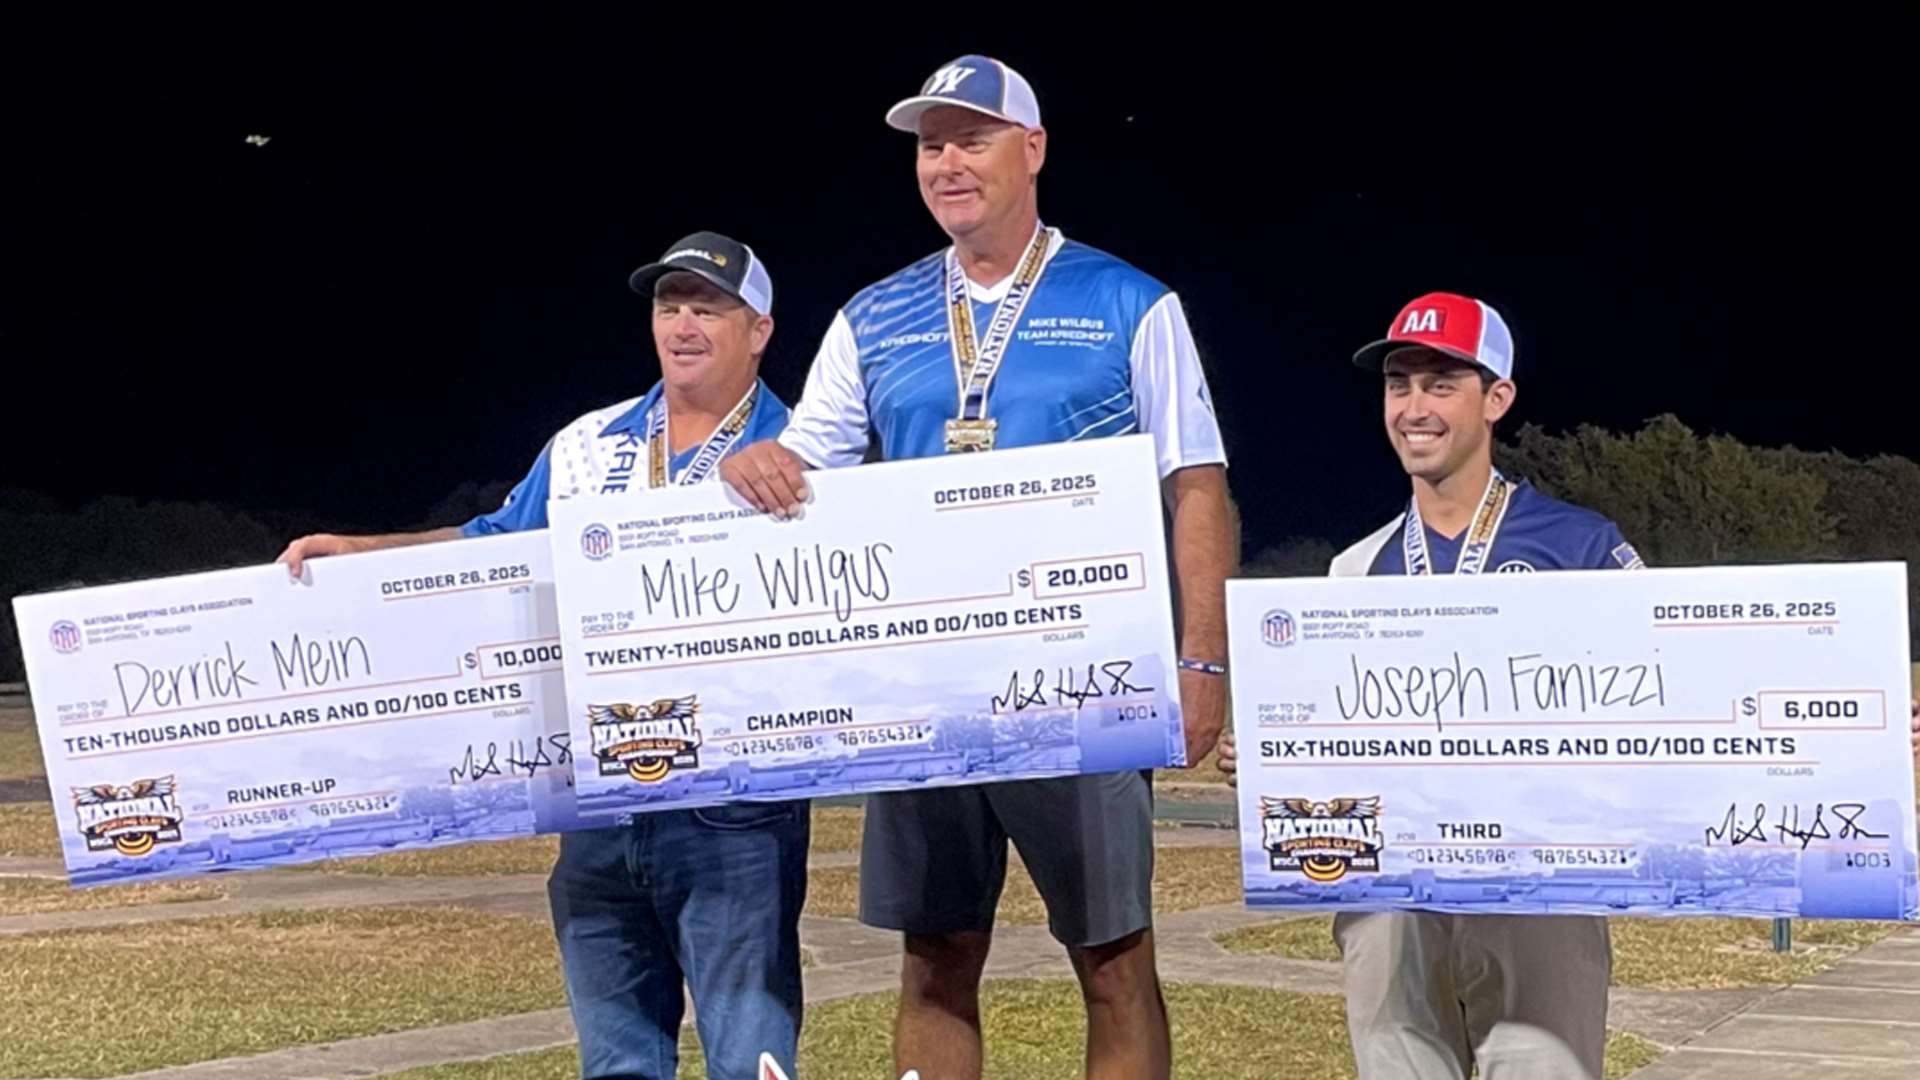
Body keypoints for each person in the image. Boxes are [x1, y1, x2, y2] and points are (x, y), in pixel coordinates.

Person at [720, 55, 1237, 1080]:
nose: (948, 163)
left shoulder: (1129, 300)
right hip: (927, 687)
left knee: (1112, 959)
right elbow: (804, 468)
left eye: (972, 139)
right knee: (937, 952)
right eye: (931, 145)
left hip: (1084, 680)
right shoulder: (875, 314)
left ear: (1032, 150)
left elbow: (1197, 485)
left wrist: (1202, 661)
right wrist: (755, 461)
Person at [279, 233, 809, 1080]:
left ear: (759, 331)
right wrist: (363, 553)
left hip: (730, 806)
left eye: (709, 309)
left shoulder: (806, 448)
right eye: (668, 306)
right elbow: (490, 543)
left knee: (750, 1062)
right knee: (617, 1064)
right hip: (594, 798)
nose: (682, 325)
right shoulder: (587, 444)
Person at [1224, 291, 1637, 1079]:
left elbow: (1672, 703)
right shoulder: (1355, 569)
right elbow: (1329, 737)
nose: (1414, 407)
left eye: (1441, 384)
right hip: (1393, 902)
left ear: (1497, 399)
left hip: (1537, 895)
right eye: (1399, 384)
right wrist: (1274, 759)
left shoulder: (1582, 548)